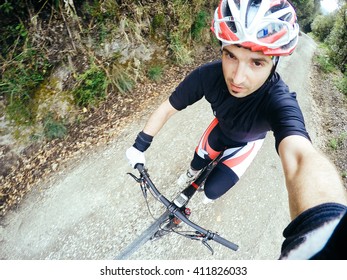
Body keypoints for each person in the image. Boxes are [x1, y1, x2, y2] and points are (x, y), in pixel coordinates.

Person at [126, 0, 347, 259]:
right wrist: (139, 145)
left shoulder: (280, 101)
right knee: (196, 164)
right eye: (231, 55)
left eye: (257, 62)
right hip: (220, 130)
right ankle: (192, 172)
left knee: (212, 192)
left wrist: (326, 232)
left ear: (274, 62)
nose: (238, 78)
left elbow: (301, 159)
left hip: (246, 144)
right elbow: (167, 108)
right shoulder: (207, 76)